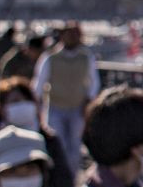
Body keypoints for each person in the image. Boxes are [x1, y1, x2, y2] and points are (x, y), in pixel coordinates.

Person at [32, 23, 99, 173]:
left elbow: (93, 83)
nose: (72, 38)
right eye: (69, 34)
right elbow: (38, 84)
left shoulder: (86, 57)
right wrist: (36, 106)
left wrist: (88, 101)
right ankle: (59, 176)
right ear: (62, 36)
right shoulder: (50, 58)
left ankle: (72, 177)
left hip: (78, 108)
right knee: (58, 144)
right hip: (56, 107)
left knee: (75, 146)